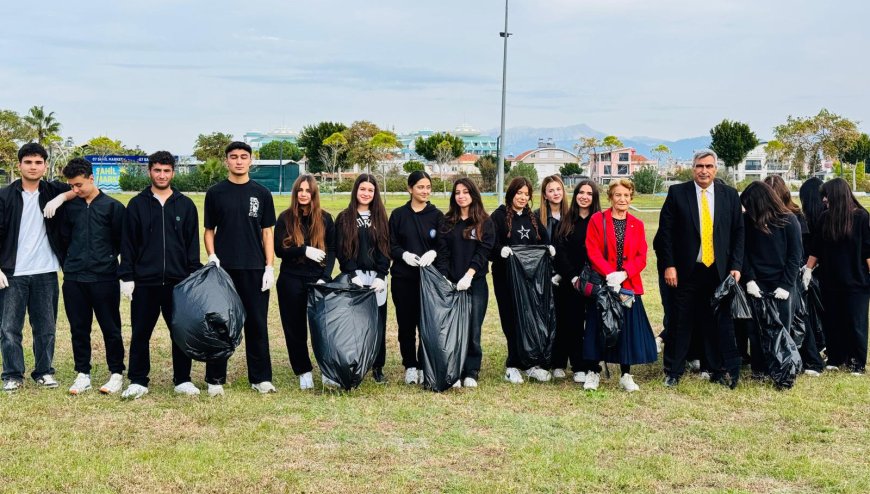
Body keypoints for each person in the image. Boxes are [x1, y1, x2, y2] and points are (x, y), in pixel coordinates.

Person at [119, 151, 208, 400]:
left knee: (180, 332)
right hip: (144, 283)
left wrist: (193, 276)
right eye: (157, 170)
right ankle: (138, 380)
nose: (161, 175)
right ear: (150, 171)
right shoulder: (137, 204)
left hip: (178, 283)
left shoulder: (185, 205)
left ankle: (183, 379)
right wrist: (127, 276)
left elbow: (192, 245)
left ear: (173, 172)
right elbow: (128, 243)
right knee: (140, 333)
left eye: (166, 170)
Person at [658, 149, 744, 388]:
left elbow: (739, 232)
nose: (704, 171)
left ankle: (715, 369)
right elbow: (665, 233)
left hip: (719, 271)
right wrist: (669, 265)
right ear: (692, 168)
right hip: (686, 271)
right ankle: (673, 371)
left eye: (708, 166)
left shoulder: (729, 195)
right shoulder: (677, 193)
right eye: (699, 166)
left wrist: (736, 265)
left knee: (715, 321)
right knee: (680, 321)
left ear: (715, 169)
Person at [204, 141, 277, 395]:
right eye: (233, 156)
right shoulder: (215, 193)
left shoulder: (262, 193)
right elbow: (209, 230)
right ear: (227, 161)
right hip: (224, 270)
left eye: (243, 156)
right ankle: (215, 379)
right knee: (220, 324)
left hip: (254, 269)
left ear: (250, 161)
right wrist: (212, 256)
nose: (238, 161)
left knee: (257, 324)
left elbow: (267, 233)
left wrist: (269, 267)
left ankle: (260, 378)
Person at [0, 143, 74, 392]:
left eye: (38, 162)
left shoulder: (54, 190)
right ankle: (12, 374)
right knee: (9, 328)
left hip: (45, 270)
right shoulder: (5, 196)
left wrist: (62, 197)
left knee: (45, 327)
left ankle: (43, 371)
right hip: (12, 273)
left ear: (45, 165)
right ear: (19, 165)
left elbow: (81, 188)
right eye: (28, 162)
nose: (33, 167)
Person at [582, 179, 657, 391]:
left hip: (628, 285)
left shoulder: (637, 224)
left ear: (631, 197)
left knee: (627, 331)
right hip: (603, 284)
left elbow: (641, 256)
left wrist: (624, 274)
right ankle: (593, 372)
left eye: (626, 195)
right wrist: (609, 274)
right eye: (618, 195)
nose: (622, 199)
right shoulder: (598, 220)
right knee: (598, 327)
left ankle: (625, 374)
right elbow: (592, 250)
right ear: (610, 197)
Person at [60, 158, 126, 395]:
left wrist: (110, 263)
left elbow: (122, 242)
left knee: (111, 328)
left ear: (91, 178)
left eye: (79, 185)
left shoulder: (113, 207)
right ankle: (82, 374)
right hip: (74, 279)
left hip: (104, 278)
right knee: (78, 329)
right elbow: (63, 239)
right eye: (71, 186)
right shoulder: (70, 207)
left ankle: (116, 373)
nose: (75, 190)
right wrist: (70, 263)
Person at [490, 176, 554, 384]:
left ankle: (530, 363)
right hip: (506, 279)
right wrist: (500, 250)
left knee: (529, 319)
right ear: (511, 193)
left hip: (529, 279)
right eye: (519, 193)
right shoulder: (498, 216)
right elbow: (489, 245)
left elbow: (544, 240)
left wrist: (549, 248)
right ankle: (513, 365)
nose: (523, 198)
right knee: (511, 320)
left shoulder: (531, 217)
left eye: (527, 194)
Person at [275, 174, 335, 390]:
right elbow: (279, 250)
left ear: (314, 193)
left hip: (317, 280)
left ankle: (328, 370)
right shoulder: (285, 218)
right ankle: (303, 370)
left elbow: (332, 250)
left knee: (322, 328)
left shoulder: (325, 218)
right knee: (295, 328)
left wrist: (325, 277)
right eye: (300, 190)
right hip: (291, 280)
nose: (303, 194)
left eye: (308, 190)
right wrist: (303, 250)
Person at [805, 178, 870, 375]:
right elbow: (816, 248)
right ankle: (835, 357)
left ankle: (857, 362)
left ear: (837, 195)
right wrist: (808, 269)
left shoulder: (861, 217)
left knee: (856, 323)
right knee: (832, 321)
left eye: (827, 196)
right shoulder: (825, 218)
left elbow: (867, 251)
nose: (824, 200)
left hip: (857, 282)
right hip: (830, 280)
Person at [740, 181, 802, 379]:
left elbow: (795, 256)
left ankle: (781, 368)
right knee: (755, 328)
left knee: (781, 327)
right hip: (756, 282)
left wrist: (786, 285)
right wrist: (749, 279)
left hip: (782, 282)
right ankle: (759, 369)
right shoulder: (747, 221)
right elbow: (743, 253)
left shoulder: (789, 220)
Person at [435, 178, 495, 388]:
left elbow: (483, 252)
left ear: (473, 195)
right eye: (457, 192)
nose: (461, 196)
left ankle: (471, 371)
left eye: (465, 192)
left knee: (473, 329)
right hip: (451, 284)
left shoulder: (485, 222)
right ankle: (454, 370)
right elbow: (443, 252)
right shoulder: (447, 221)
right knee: (452, 328)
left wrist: (469, 275)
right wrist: (444, 277)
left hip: (474, 283)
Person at [763, 175, 824, 375]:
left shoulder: (794, 215)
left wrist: (804, 269)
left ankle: (811, 360)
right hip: (772, 271)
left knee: (798, 316)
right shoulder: (764, 215)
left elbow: (800, 248)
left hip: (792, 271)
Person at [335, 174, 391, 383]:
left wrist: (381, 275)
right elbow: (342, 249)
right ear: (356, 191)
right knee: (354, 324)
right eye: (362, 189)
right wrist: (351, 273)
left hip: (376, 279)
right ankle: (355, 364)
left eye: (370, 190)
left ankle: (378, 366)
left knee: (378, 323)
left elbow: (385, 249)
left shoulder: (381, 218)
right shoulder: (344, 217)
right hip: (355, 277)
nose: (366, 193)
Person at [389, 171, 443, 385]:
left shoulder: (437, 215)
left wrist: (434, 253)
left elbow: (443, 245)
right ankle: (410, 365)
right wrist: (404, 255)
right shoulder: (398, 215)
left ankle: (423, 364)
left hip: (428, 280)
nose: (425, 191)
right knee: (406, 325)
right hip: (403, 279)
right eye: (420, 187)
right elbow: (391, 244)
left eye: (428, 187)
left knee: (426, 324)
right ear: (410, 188)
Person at [553, 180, 601, 385]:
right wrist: (572, 276)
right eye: (581, 192)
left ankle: (589, 364)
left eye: (589, 193)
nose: (584, 197)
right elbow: (560, 252)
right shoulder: (566, 221)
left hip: (593, 281)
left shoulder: (599, 221)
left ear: (594, 197)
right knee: (571, 324)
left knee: (591, 325)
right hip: (570, 281)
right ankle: (576, 366)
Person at [534, 175, 571, 379]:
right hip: (543, 276)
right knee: (545, 319)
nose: (556, 193)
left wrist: (564, 273)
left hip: (565, 277)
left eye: (558, 189)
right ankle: (543, 360)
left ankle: (559, 363)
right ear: (545, 195)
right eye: (551, 190)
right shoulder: (536, 217)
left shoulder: (571, 216)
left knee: (564, 319)